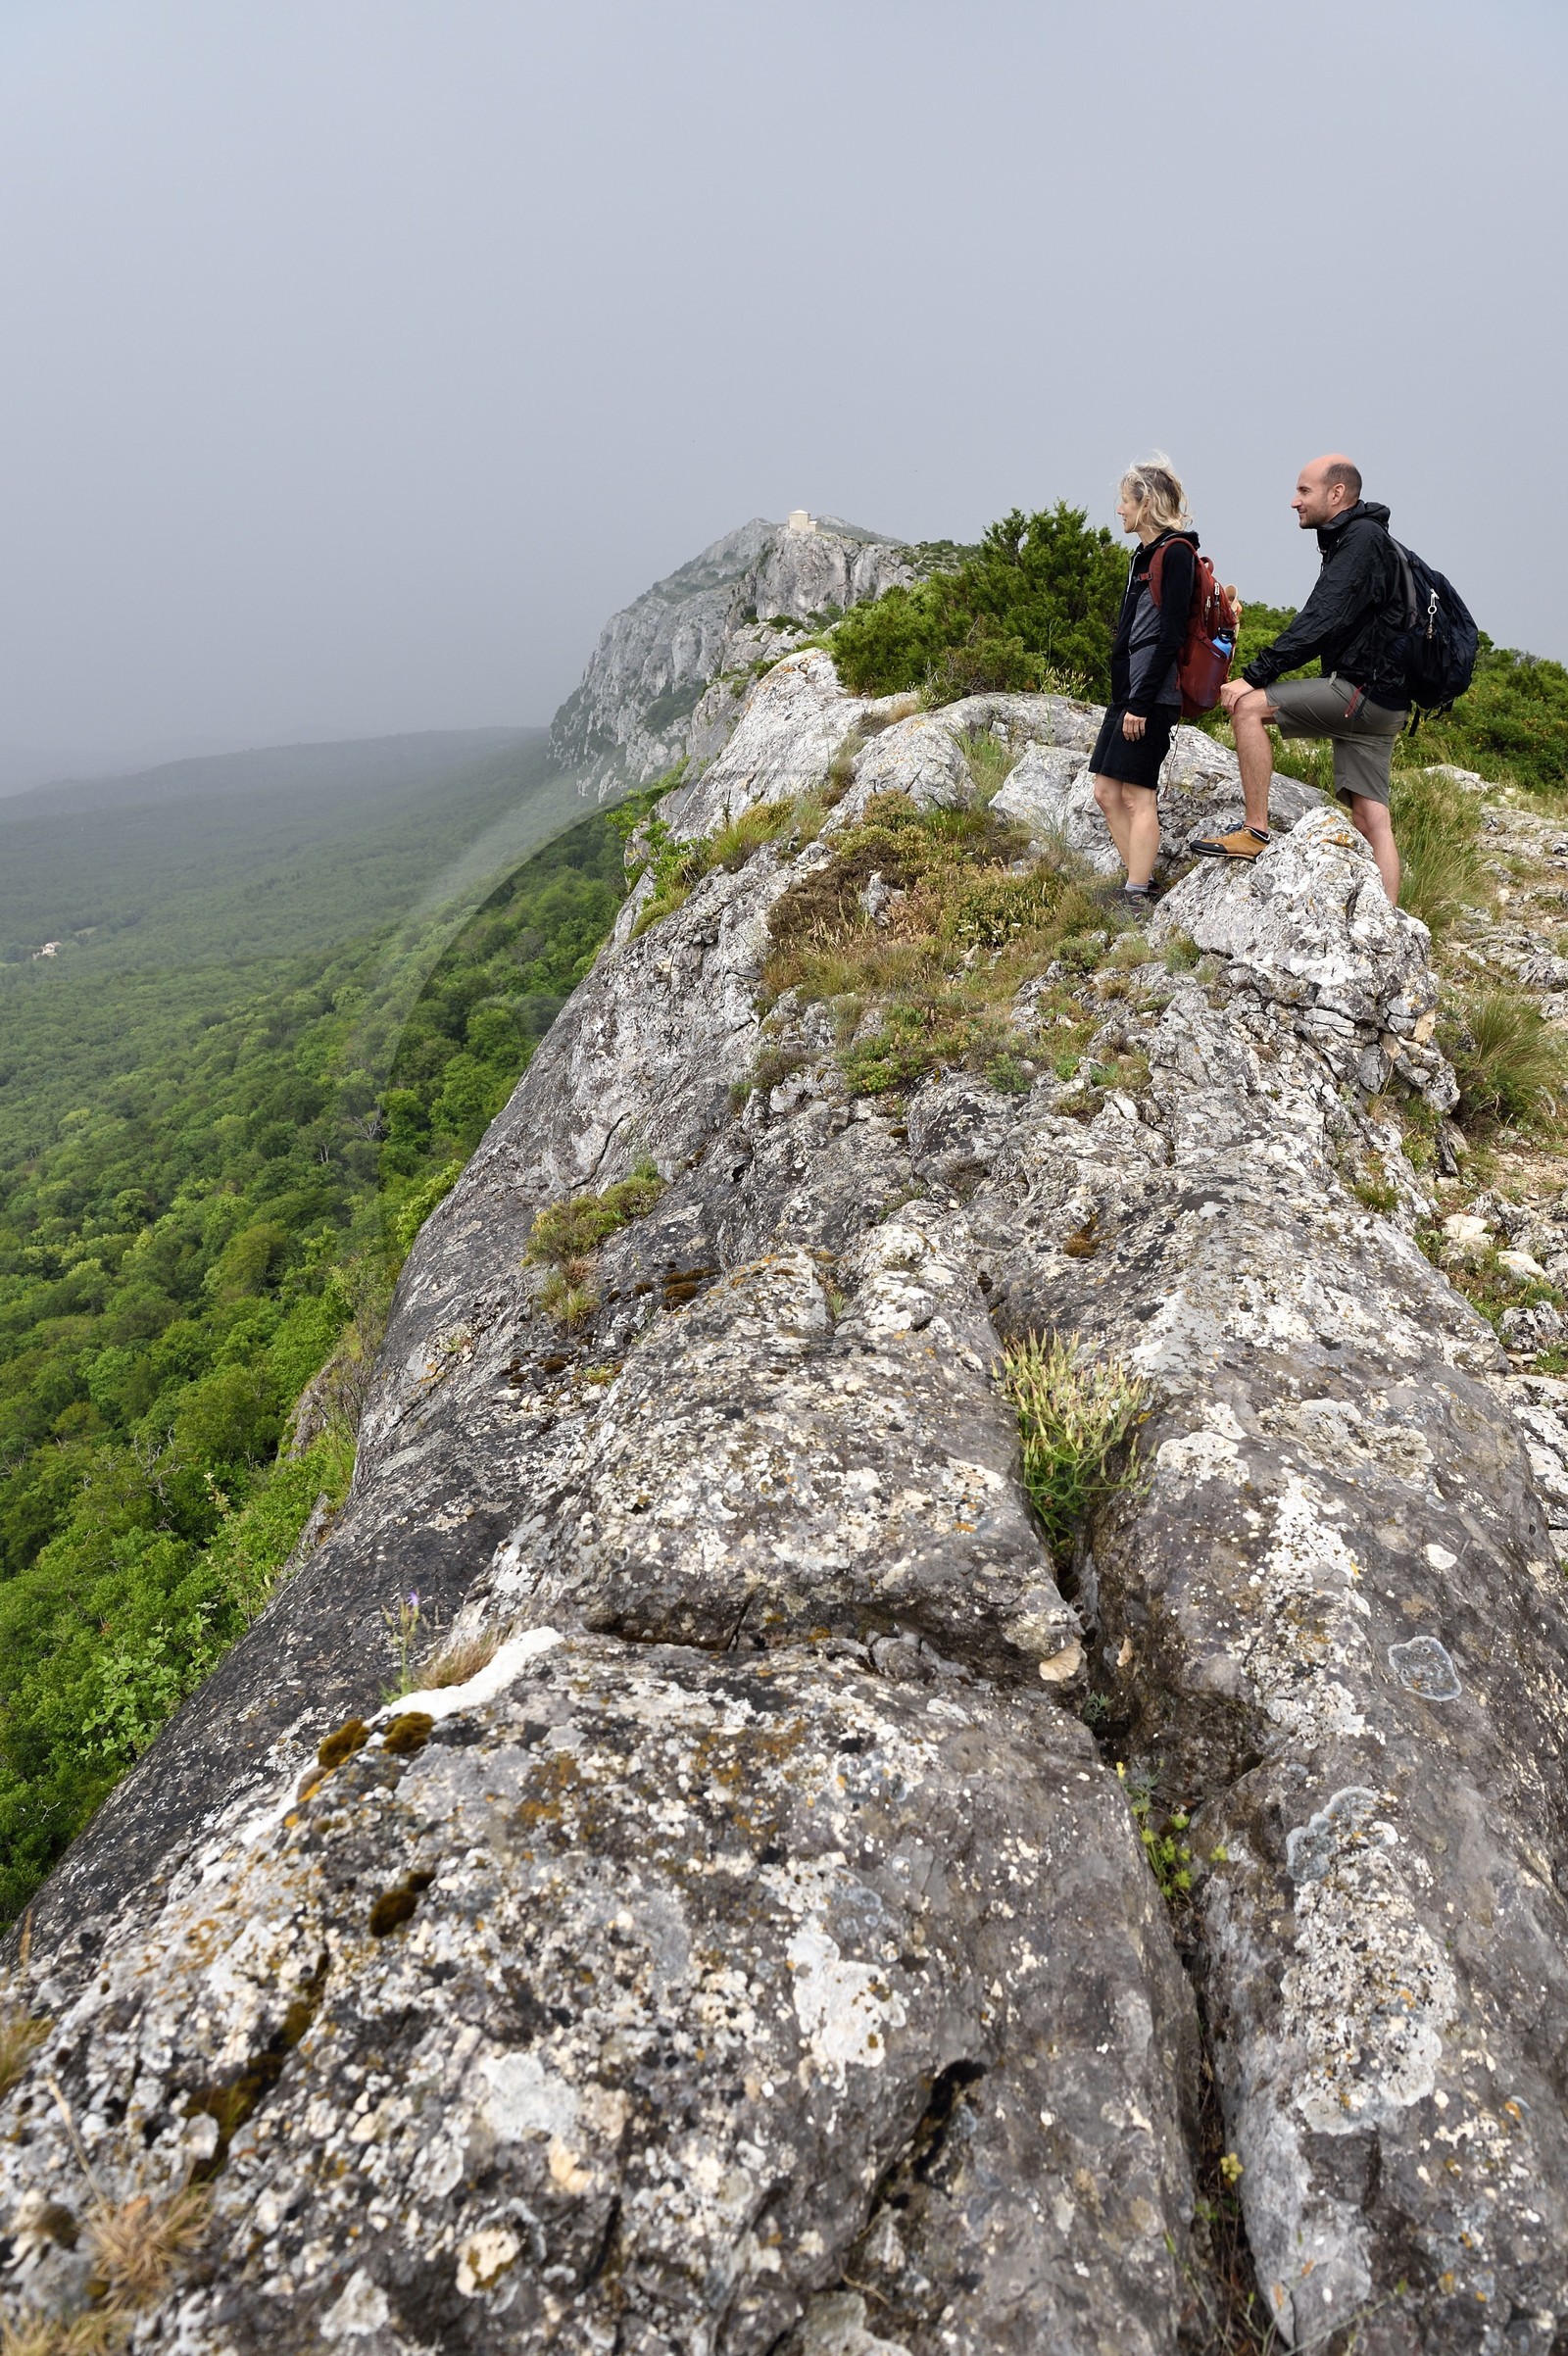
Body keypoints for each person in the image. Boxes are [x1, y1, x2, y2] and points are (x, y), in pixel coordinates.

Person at [1192, 454, 1407, 901]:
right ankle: (1386, 924)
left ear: (1337, 494)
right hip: (1385, 696)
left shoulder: (1361, 540)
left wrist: (1253, 676)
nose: (1294, 501)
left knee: (1248, 709)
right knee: (1370, 816)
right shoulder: (1362, 538)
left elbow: (1319, 620)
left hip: (1359, 693)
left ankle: (1254, 831)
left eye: (1304, 491)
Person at [1089, 456, 1200, 909]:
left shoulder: (1176, 553)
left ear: (1145, 502)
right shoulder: (1144, 554)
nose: (1119, 508)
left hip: (1151, 696)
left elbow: (1171, 635)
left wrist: (1140, 702)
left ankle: (1135, 894)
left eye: (1124, 500)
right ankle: (1142, 880)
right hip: (1129, 694)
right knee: (1105, 791)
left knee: (1137, 793)